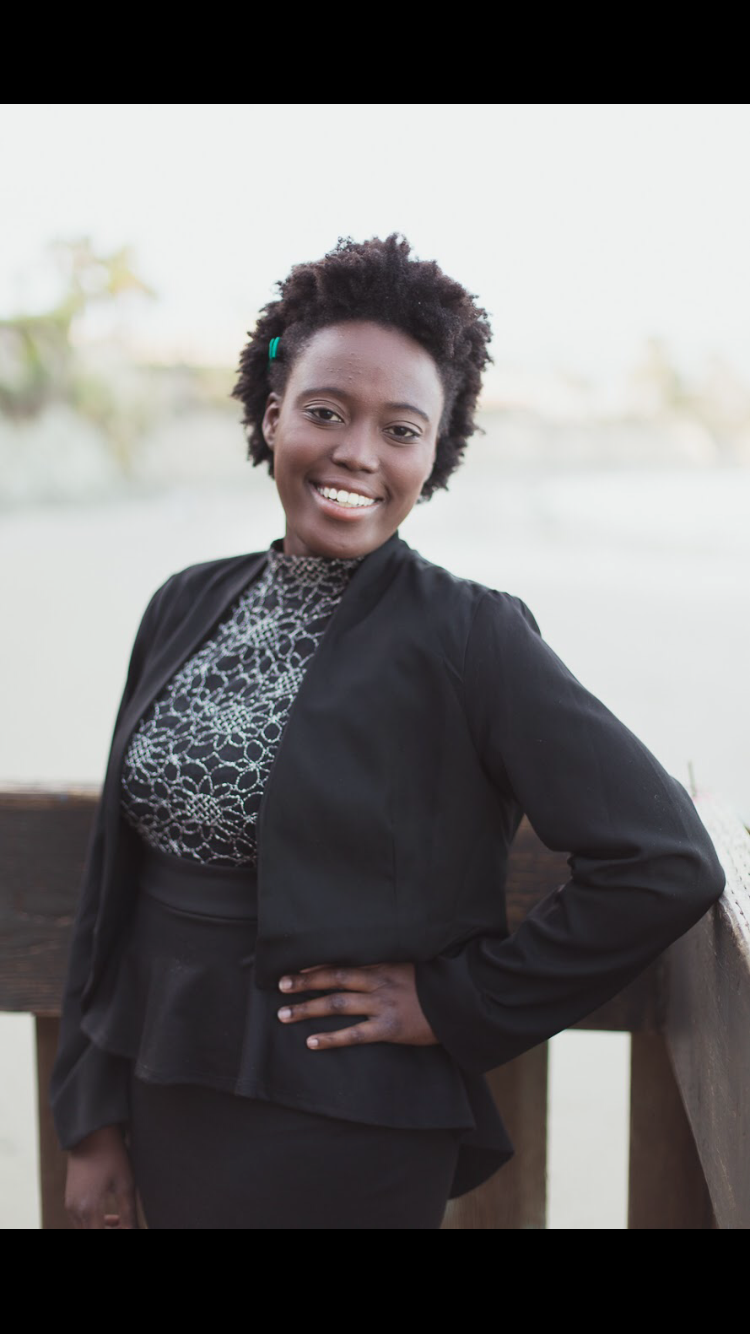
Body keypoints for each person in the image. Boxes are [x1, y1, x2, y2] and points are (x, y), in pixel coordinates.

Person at [50, 234, 726, 1230]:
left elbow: (664, 860)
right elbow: (117, 884)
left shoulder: (471, 634)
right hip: (168, 1093)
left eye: (400, 428)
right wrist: (90, 1117)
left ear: (434, 453)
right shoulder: (183, 602)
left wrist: (453, 1001)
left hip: (347, 1123)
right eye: (327, 412)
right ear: (274, 413)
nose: (358, 452)